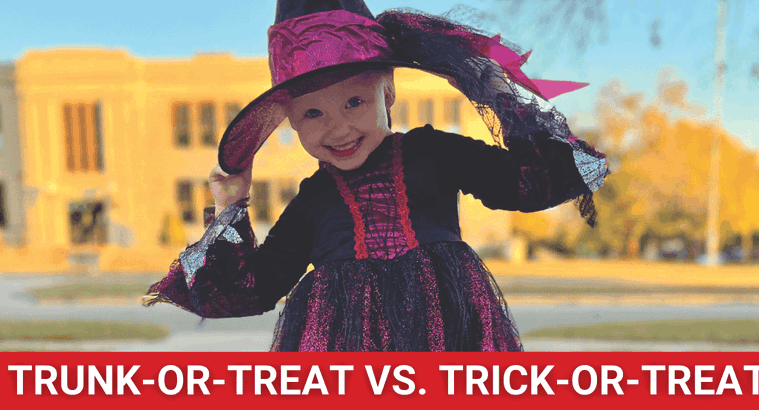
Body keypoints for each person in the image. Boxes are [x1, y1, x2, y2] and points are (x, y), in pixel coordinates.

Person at [143, 0, 610, 351]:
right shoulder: (313, 200)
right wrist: (231, 204)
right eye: (312, 113)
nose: (339, 127)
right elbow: (251, 290)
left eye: (355, 102)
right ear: (290, 122)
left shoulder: (432, 152)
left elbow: (525, 185)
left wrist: (492, 93)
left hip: (448, 332)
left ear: (388, 93)